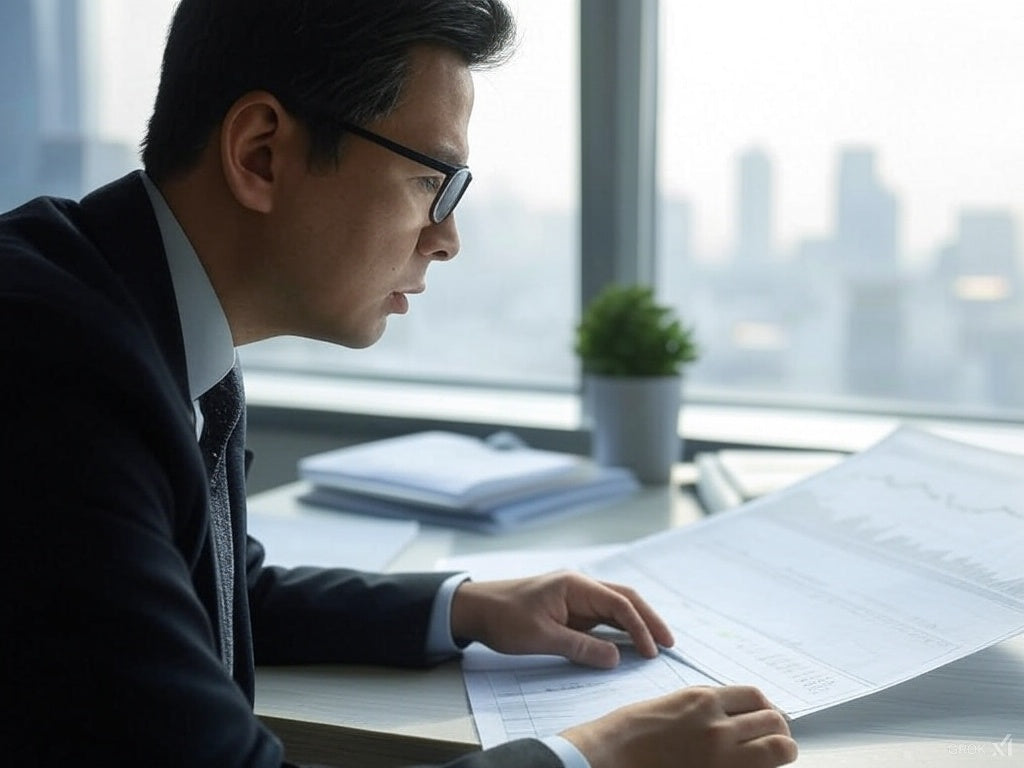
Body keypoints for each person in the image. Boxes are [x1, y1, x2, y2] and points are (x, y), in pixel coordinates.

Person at [0, 1, 797, 766]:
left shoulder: (141, 317)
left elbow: (214, 591)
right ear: (261, 154)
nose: (447, 239)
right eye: (431, 181)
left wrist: (466, 607)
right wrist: (596, 756)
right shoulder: (54, 374)